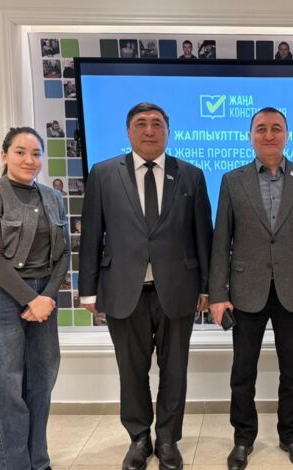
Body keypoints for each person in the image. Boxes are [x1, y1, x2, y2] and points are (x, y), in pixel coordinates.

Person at [79, 102, 213, 470]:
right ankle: (139, 437)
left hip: (179, 289)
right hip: (123, 290)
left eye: (157, 124)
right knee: (131, 370)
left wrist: (206, 288)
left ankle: (168, 438)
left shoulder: (191, 175)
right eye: (141, 123)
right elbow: (91, 236)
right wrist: (88, 290)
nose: (149, 130)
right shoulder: (104, 174)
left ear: (168, 132)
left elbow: (203, 236)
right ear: (129, 132)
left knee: (175, 370)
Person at [209, 107, 293, 470]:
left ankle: (290, 435)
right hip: (246, 290)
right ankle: (243, 439)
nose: (269, 135)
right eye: (261, 128)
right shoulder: (232, 180)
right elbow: (221, 241)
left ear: (287, 135)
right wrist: (218, 295)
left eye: (276, 128)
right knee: (243, 373)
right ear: (250, 137)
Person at [0, 127, 70, 469]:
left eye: (36, 153)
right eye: (20, 152)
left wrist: (46, 297)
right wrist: (30, 299)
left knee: (41, 382)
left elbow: (63, 254)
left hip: (44, 297)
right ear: (4, 155)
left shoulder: (53, 197)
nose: (29, 160)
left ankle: (38, 462)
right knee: (6, 386)